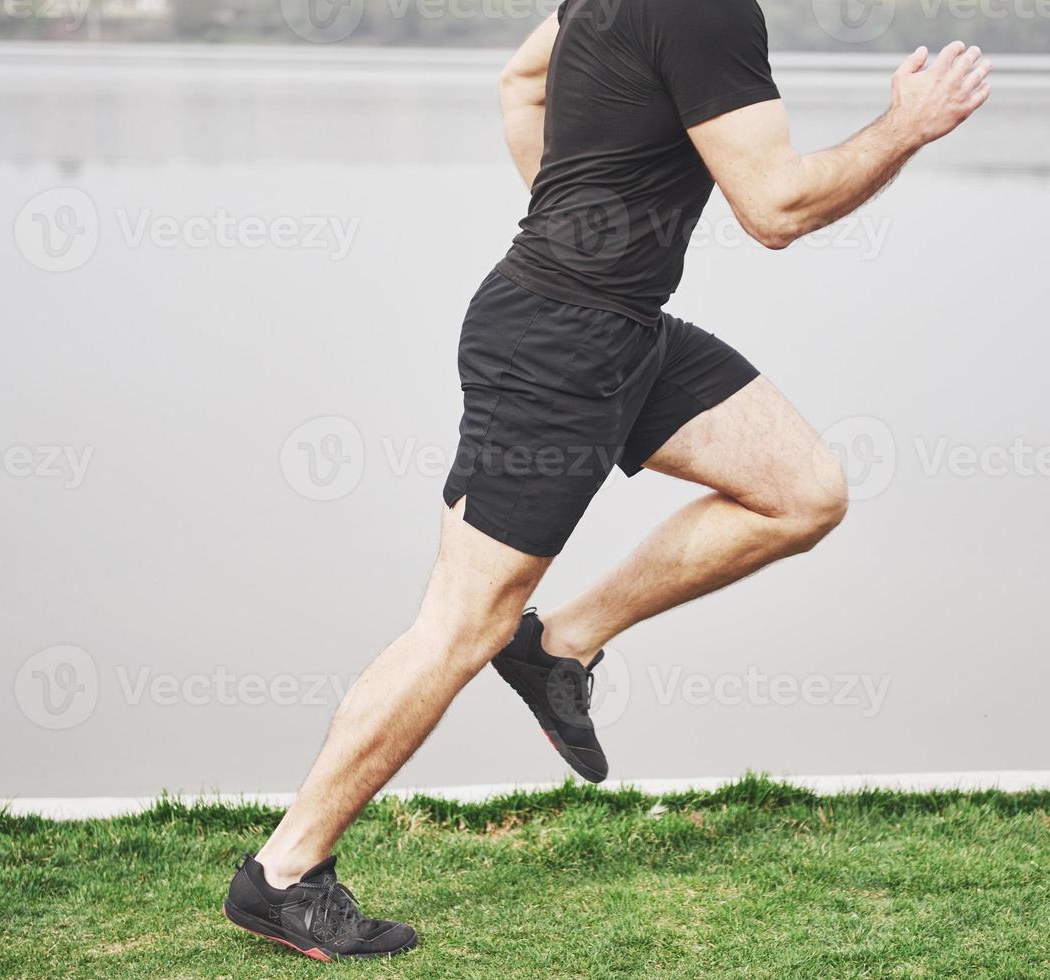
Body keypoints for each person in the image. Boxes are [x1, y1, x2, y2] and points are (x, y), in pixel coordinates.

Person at [223, 0, 991, 959]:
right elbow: (776, 210)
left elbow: (520, 80)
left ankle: (562, 645)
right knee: (461, 624)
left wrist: (574, 224)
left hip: (623, 326)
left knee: (802, 491)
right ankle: (283, 872)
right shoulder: (707, 11)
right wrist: (907, 126)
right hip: (557, 343)